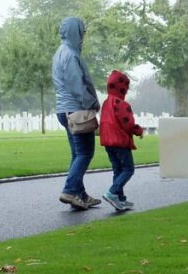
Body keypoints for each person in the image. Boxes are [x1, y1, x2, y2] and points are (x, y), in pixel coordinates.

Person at [52, 17, 101, 210]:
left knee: (77, 154)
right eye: (82, 31)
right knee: (85, 153)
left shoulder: (59, 53)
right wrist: (92, 103)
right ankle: (70, 191)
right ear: (75, 31)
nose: (84, 35)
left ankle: (80, 195)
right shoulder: (71, 55)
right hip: (76, 109)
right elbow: (77, 85)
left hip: (63, 109)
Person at [99, 69, 144, 211]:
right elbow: (127, 123)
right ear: (123, 87)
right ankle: (112, 193)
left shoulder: (106, 103)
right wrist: (138, 130)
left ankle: (120, 199)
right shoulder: (121, 104)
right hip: (119, 141)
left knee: (117, 170)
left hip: (107, 141)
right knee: (128, 169)